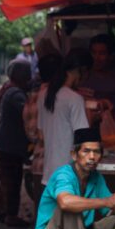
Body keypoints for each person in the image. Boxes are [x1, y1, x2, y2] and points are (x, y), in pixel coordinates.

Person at [33, 127, 115, 229]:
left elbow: (109, 212)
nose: (92, 157)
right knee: (70, 207)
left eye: (96, 152)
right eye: (86, 151)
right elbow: (65, 202)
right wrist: (106, 201)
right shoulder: (63, 174)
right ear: (74, 154)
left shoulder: (96, 177)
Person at [36, 50, 91, 186]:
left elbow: (41, 135)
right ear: (80, 71)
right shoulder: (75, 99)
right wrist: (90, 116)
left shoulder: (43, 95)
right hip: (70, 174)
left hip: (50, 174)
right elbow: (83, 138)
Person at [0, 59, 33, 227]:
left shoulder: (8, 89)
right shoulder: (16, 94)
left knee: (6, 179)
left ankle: (3, 211)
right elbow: (28, 116)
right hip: (10, 144)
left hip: (4, 142)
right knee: (13, 180)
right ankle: (10, 214)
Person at [80, 33, 115, 112]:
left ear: (111, 56)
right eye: (93, 53)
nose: (96, 58)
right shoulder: (81, 78)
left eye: (102, 53)